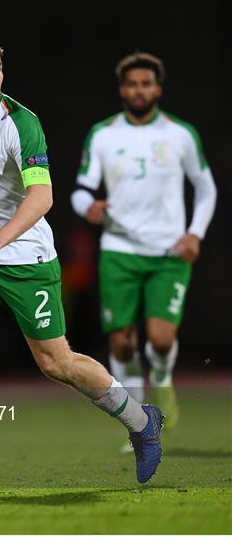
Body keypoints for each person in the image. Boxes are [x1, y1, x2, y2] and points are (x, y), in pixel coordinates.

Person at [0, 32, 163, 491]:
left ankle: (142, 420)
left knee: (56, 363)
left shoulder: (20, 124)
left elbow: (42, 197)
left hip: (25, 256)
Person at [71, 52, 217, 438]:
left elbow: (205, 188)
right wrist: (90, 207)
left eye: (146, 83)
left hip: (170, 252)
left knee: (161, 338)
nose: (139, 90)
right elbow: (81, 190)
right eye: (132, 84)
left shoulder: (180, 134)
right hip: (119, 250)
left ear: (158, 89)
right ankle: (138, 423)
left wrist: (194, 234)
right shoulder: (103, 134)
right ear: (122, 89)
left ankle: (164, 377)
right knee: (120, 343)